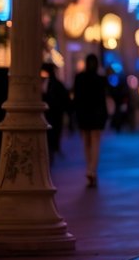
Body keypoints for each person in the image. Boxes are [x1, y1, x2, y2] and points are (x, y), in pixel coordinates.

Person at [72, 54, 109, 187]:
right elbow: (103, 100)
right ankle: (92, 170)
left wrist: (75, 114)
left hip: (84, 114)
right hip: (96, 115)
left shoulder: (80, 78)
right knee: (95, 142)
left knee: (87, 142)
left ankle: (90, 169)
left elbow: (76, 99)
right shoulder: (100, 79)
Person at [41, 62, 69, 158]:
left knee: (53, 132)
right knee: (53, 132)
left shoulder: (52, 84)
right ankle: (53, 149)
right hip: (53, 113)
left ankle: (53, 149)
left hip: (53, 113)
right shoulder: (54, 83)